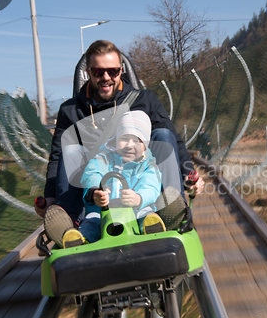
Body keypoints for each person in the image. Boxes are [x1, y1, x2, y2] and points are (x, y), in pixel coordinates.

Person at [34, 40, 204, 223]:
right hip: (96, 185)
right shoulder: (70, 110)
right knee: (70, 150)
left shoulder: (145, 100)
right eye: (98, 71)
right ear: (88, 72)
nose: (106, 77)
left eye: (112, 71)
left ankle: (173, 212)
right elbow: (58, 155)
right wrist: (50, 195)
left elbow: (173, 139)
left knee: (162, 134)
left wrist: (189, 173)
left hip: (139, 176)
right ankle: (69, 223)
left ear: (121, 71)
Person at [54, 111, 164, 248]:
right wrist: (94, 191)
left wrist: (139, 198)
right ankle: (81, 240)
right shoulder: (105, 158)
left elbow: (152, 185)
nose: (129, 145)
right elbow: (93, 172)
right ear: (116, 139)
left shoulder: (147, 165)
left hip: (136, 210)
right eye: (124, 139)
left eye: (137, 140)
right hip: (104, 212)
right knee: (91, 220)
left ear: (144, 146)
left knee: (145, 214)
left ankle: (151, 230)